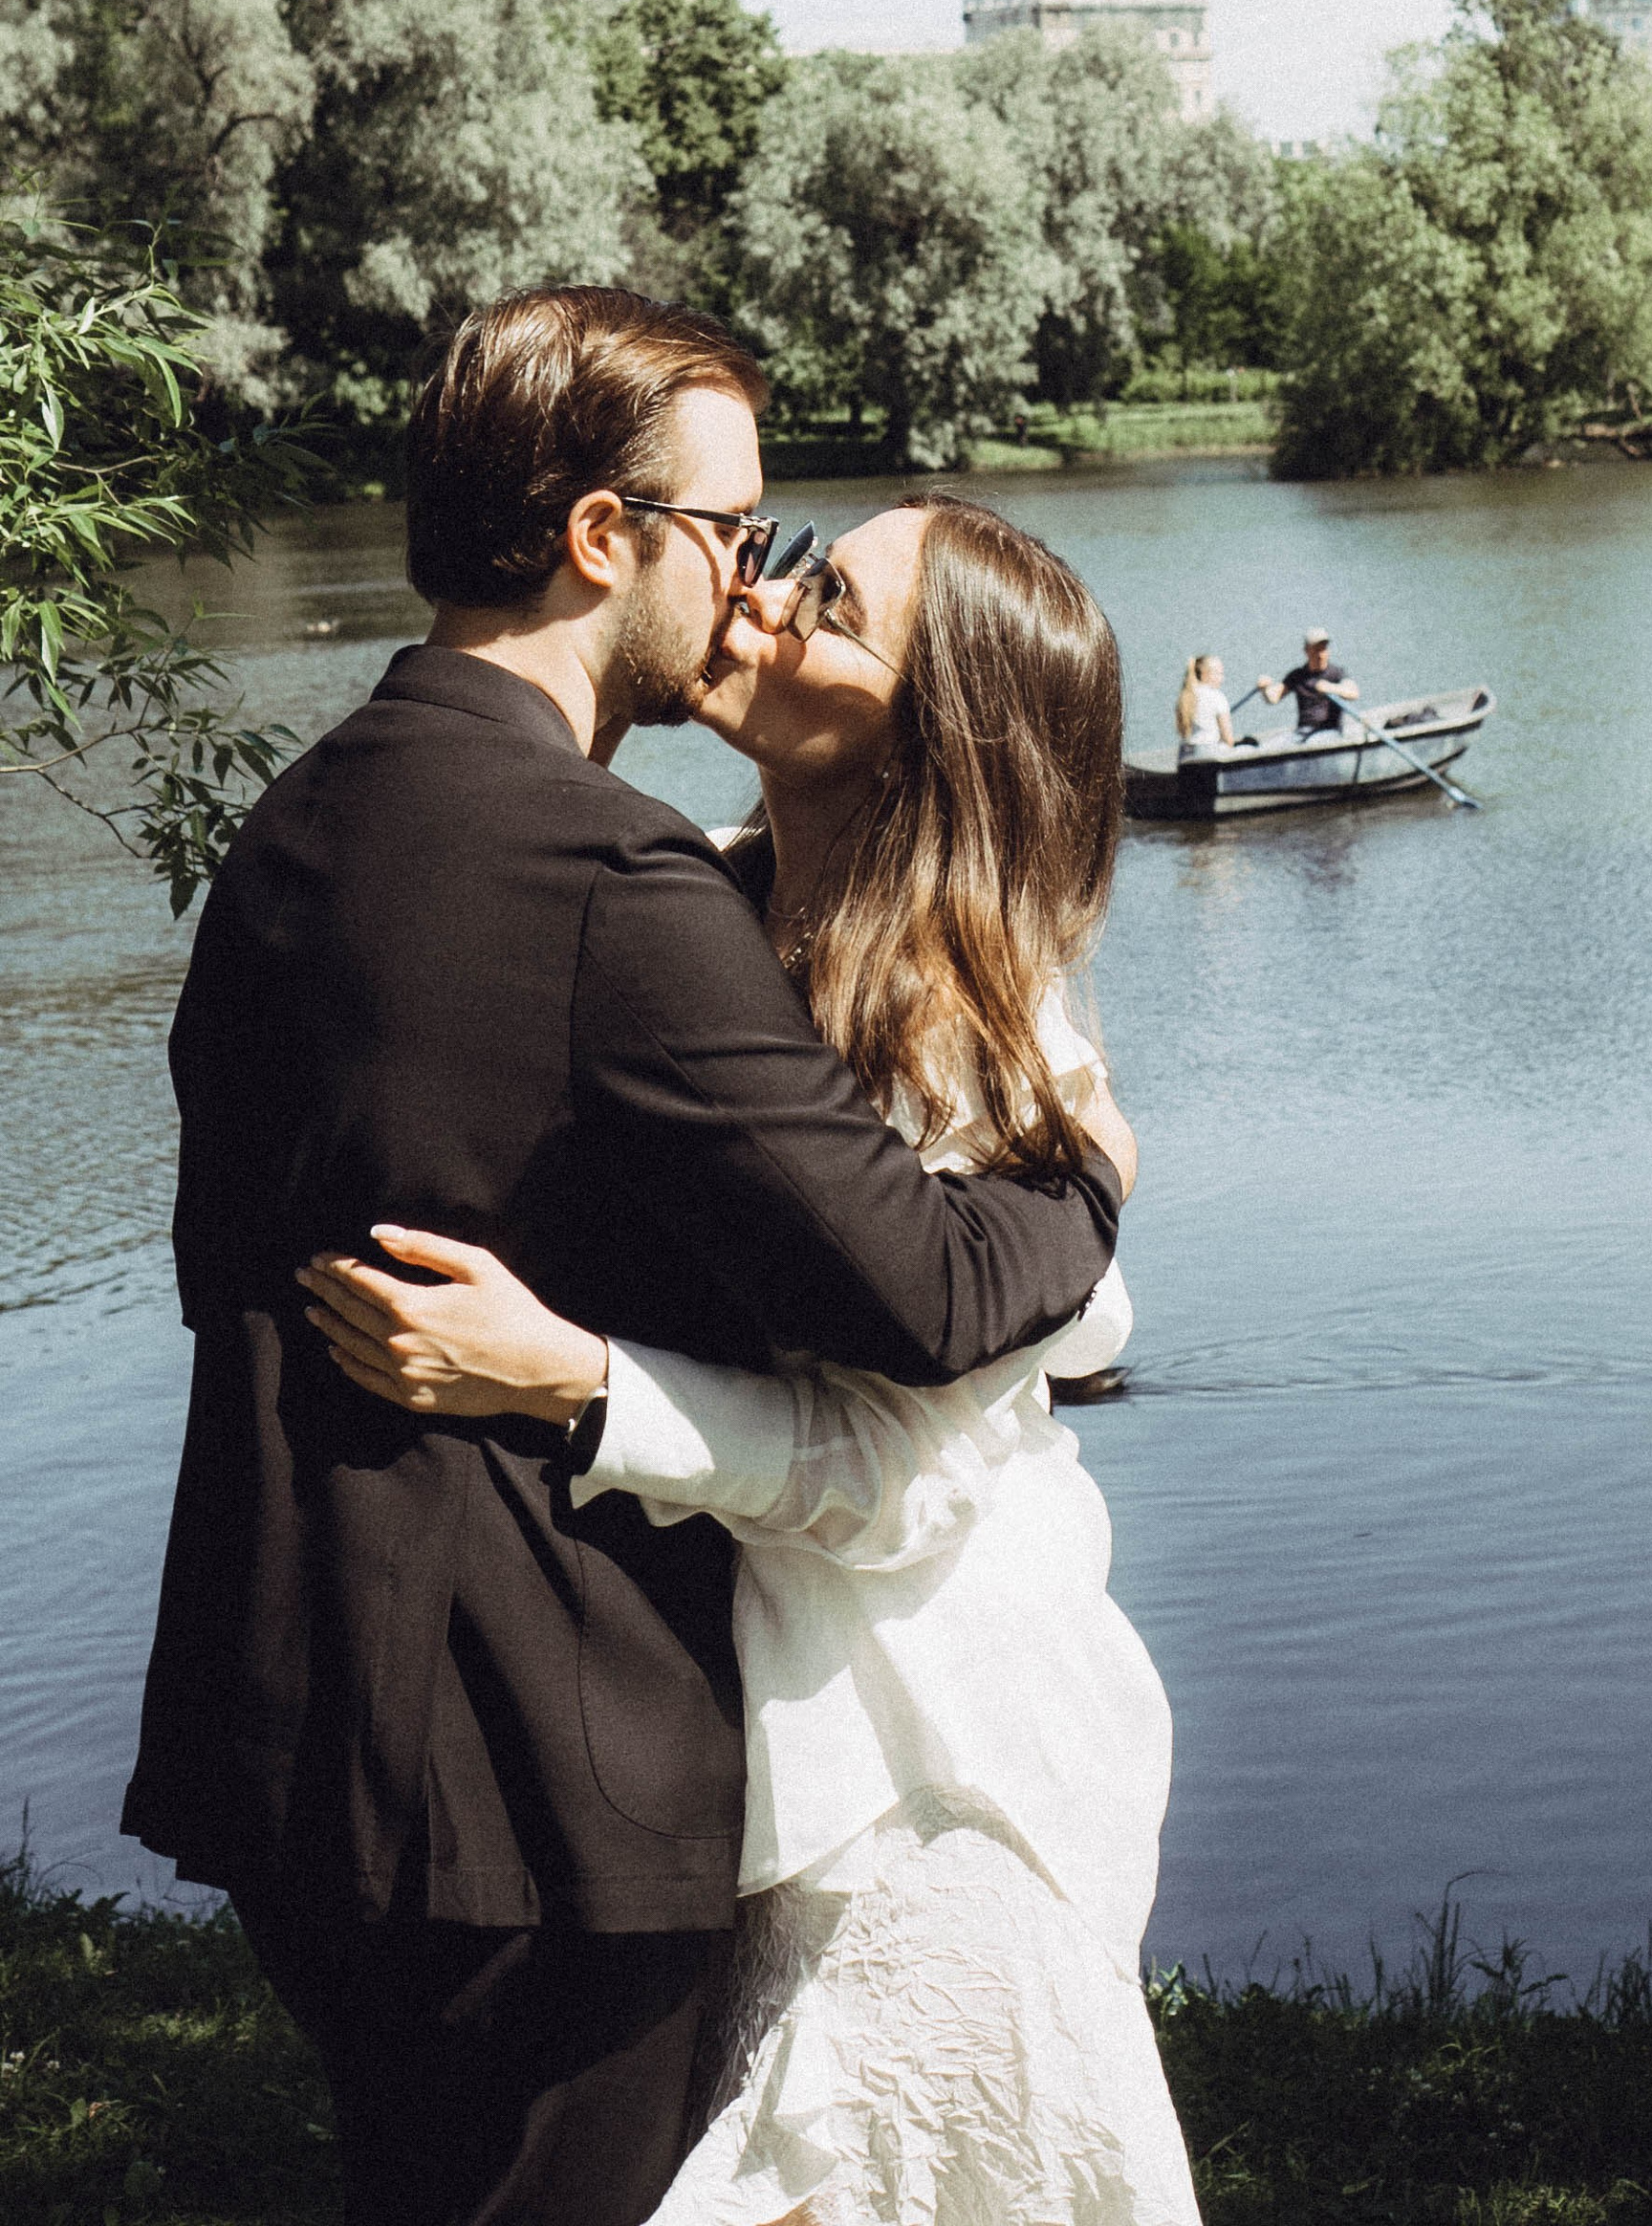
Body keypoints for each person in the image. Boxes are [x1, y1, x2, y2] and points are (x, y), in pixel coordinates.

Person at [121, 291, 1124, 2226]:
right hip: (523, 1780)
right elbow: (918, 1295)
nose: (749, 582)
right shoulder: (608, 880)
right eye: (734, 533)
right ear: (604, 537)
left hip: (292, 1735)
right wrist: (1076, 1190)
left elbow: (210, 1251)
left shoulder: (301, 826)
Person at [300, 495, 1199, 2224]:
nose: (767, 604)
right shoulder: (694, 900)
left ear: (934, 725)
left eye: (833, 604)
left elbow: (918, 1481)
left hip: (924, 1760)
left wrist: (574, 1378)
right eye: (794, 559)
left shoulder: (970, 1038)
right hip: (734, 1728)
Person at [1260, 625, 1359, 734]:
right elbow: (1273, 698)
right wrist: (1264, 689)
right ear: (1307, 651)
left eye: (1324, 649)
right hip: (1304, 731)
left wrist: (1331, 688)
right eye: (1316, 650)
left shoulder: (1337, 673)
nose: (1321, 655)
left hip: (1330, 732)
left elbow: (1354, 693)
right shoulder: (1297, 675)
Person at [1174, 649, 1237, 759]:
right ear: (1205, 675)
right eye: (1219, 673)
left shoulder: (1184, 697)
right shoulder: (1217, 697)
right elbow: (1228, 739)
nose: (1222, 678)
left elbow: (1182, 731)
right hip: (1208, 755)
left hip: (1185, 754)